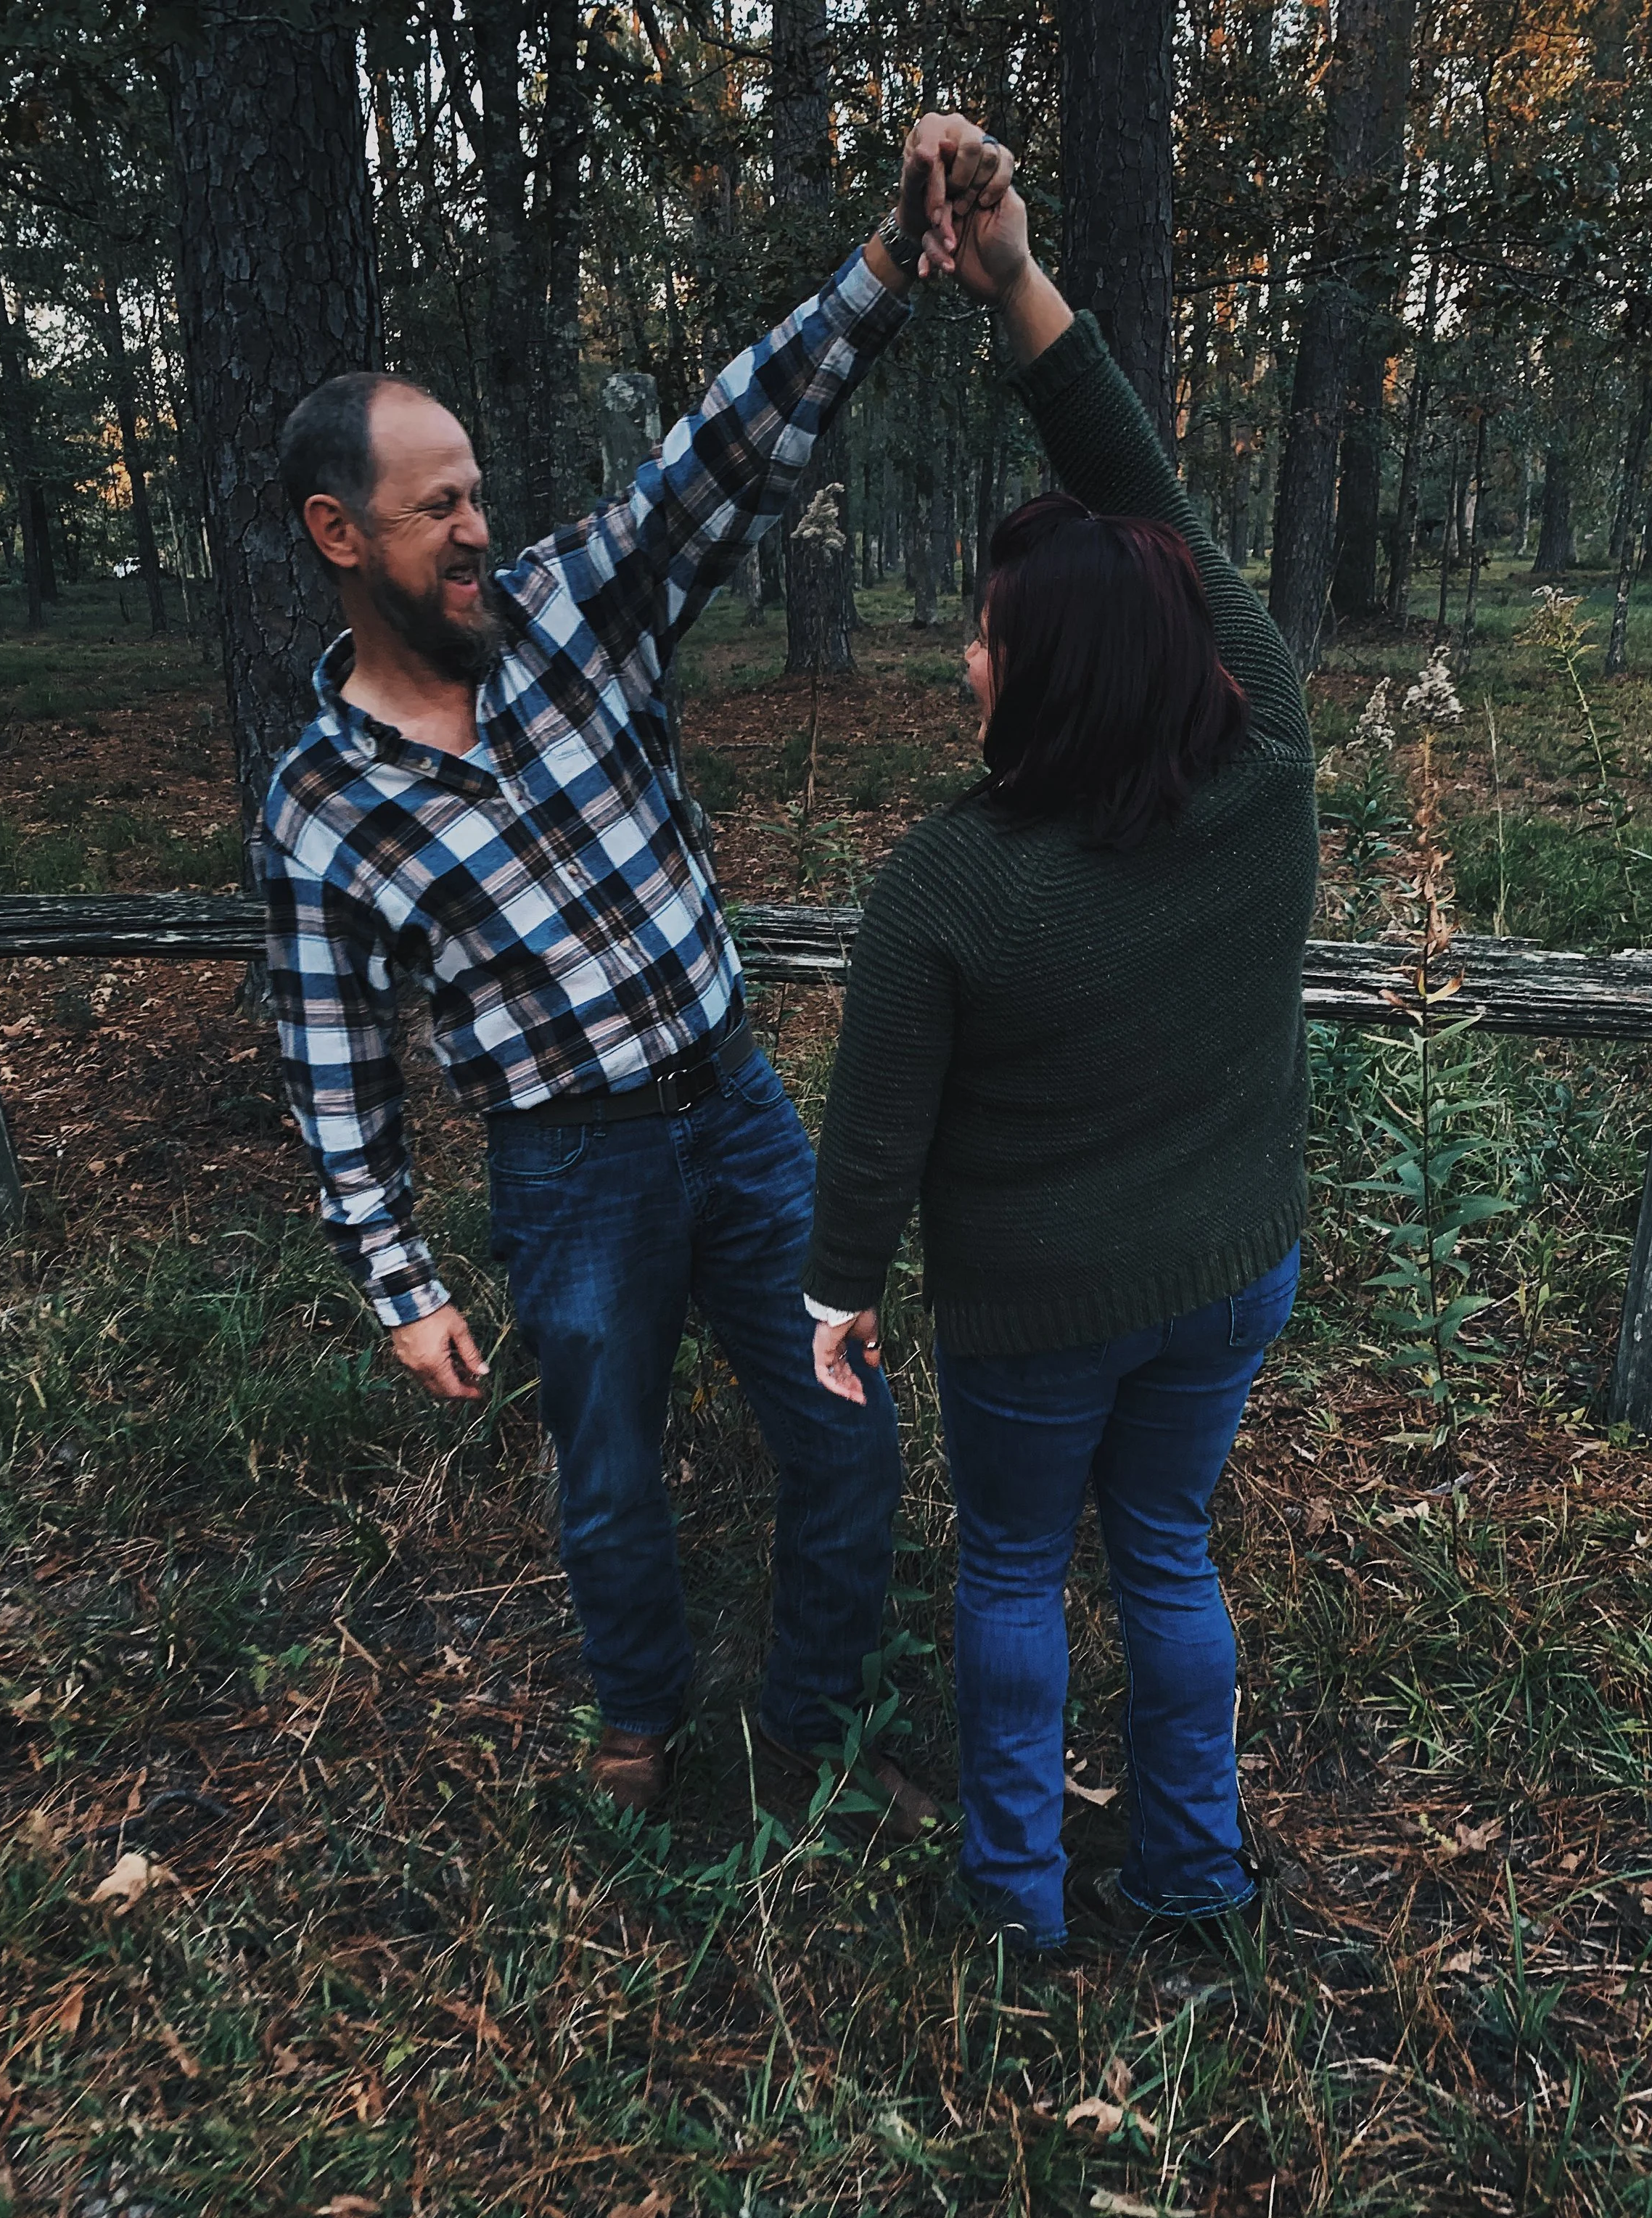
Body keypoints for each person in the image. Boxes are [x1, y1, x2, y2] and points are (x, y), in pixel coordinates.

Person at [263, 116, 1014, 1825]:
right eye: (434, 507)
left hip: (734, 1113)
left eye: (476, 493)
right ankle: (640, 1714)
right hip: (568, 1168)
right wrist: (398, 1280)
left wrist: (885, 263)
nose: (475, 528)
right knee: (605, 1474)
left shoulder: (571, 610)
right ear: (337, 532)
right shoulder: (318, 808)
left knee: (844, 1425)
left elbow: (718, 456)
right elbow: (334, 1068)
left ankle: (810, 1720)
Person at [802, 178, 1318, 1953]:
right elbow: (1149, 508)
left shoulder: (948, 884)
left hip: (1033, 1314)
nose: (961, 660)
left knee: (1016, 1567)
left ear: (1049, 674)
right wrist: (1017, 281)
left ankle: (1015, 1899)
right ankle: (1192, 1875)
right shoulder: (1267, 768)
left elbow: (873, 1136)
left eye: (984, 636)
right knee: (1163, 1546)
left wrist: (834, 1298)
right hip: (1228, 1271)